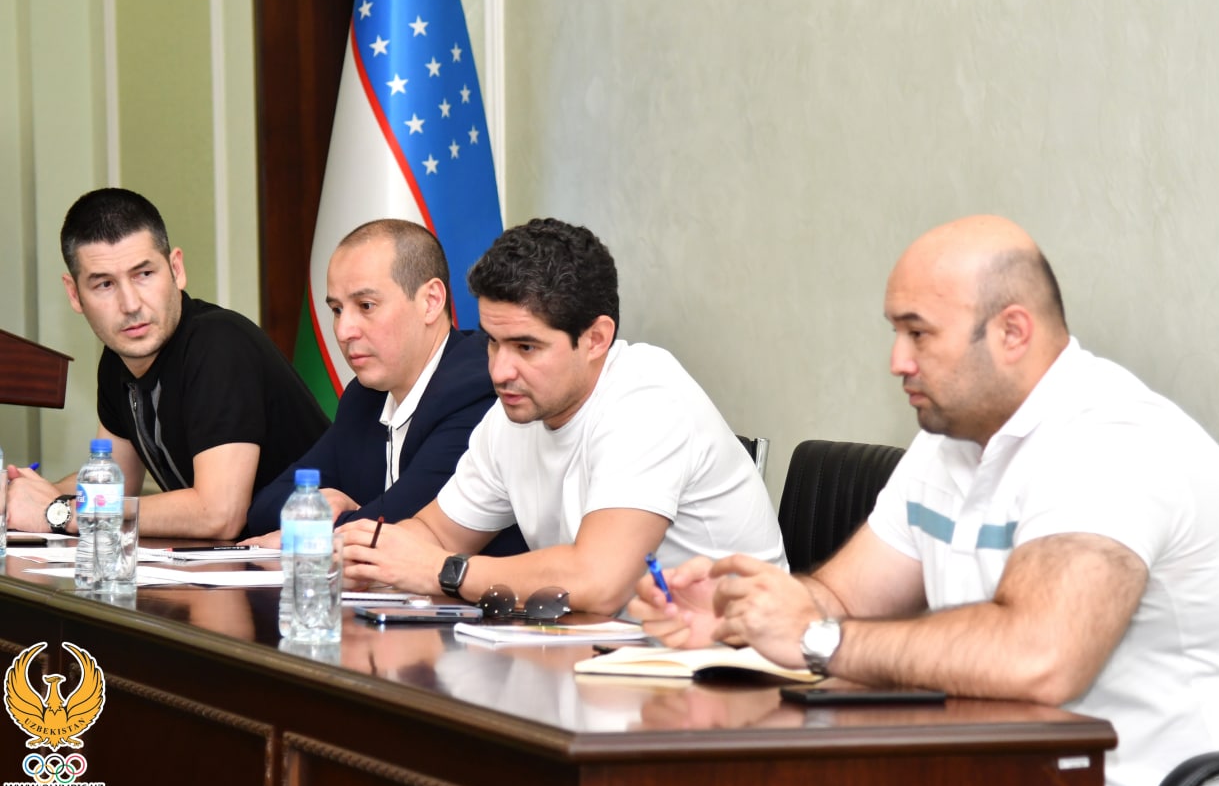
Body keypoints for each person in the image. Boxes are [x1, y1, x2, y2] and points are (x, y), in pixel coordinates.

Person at [630, 215, 1219, 786]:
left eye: (918, 333)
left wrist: (813, 637)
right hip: (1014, 770)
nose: (897, 361)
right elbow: (843, 597)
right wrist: (738, 615)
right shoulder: (950, 442)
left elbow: (1038, 657)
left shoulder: (1110, 441)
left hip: (1156, 785)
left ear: (1012, 331)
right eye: (896, 332)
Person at [341, 218, 786, 615]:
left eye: (526, 347)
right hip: (610, 655)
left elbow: (598, 581)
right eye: (493, 342)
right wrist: (365, 558)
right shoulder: (512, 415)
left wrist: (444, 571)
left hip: (729, 660)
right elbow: (435, 534)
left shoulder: (647, 398)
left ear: (595, 339)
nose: (499, 370)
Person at [4, 188, 329, 539]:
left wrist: (62, 512)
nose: (130, 304)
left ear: (176, 269)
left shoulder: (219, 343)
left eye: (144, 274)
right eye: (104, 284)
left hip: (320, 558)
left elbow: (218, 514)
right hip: (249, 560)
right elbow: (115, 483)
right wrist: (22, 494)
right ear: (74, 294)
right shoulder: (118, 359)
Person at [244, 219, 523, 557]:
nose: (343, 331)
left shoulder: (477, 388)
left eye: (366, 306)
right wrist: (324, 508)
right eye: (336, 310)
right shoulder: (364, 398)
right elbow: (264, 510)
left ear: (431, 301)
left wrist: (314, 523)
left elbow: (397, 528)